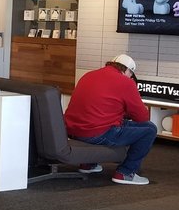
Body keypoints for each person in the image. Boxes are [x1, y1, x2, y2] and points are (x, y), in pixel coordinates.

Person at [63, 53, 156, 185]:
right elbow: (142, 117)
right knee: (150, 129)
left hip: (72, 130)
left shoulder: (88, 75)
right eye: (131, 74)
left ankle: (88, 164)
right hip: (94, 134)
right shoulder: (126, 82)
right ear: (128, 71)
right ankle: (125, 173)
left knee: (101, 121)